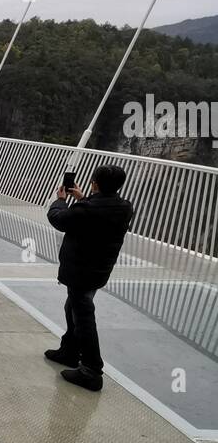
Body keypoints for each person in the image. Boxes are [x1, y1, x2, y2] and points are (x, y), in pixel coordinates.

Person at [45, 164, 133, 392]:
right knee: (72, 307)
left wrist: (61, 200)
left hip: (81, 270)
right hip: (99, 270)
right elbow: (97, 217)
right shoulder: (124, 207)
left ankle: (91, 370)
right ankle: (69, 351)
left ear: (95, 183)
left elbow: (58, 219)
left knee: (83, 316)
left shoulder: (87, 209)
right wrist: (84, 198)